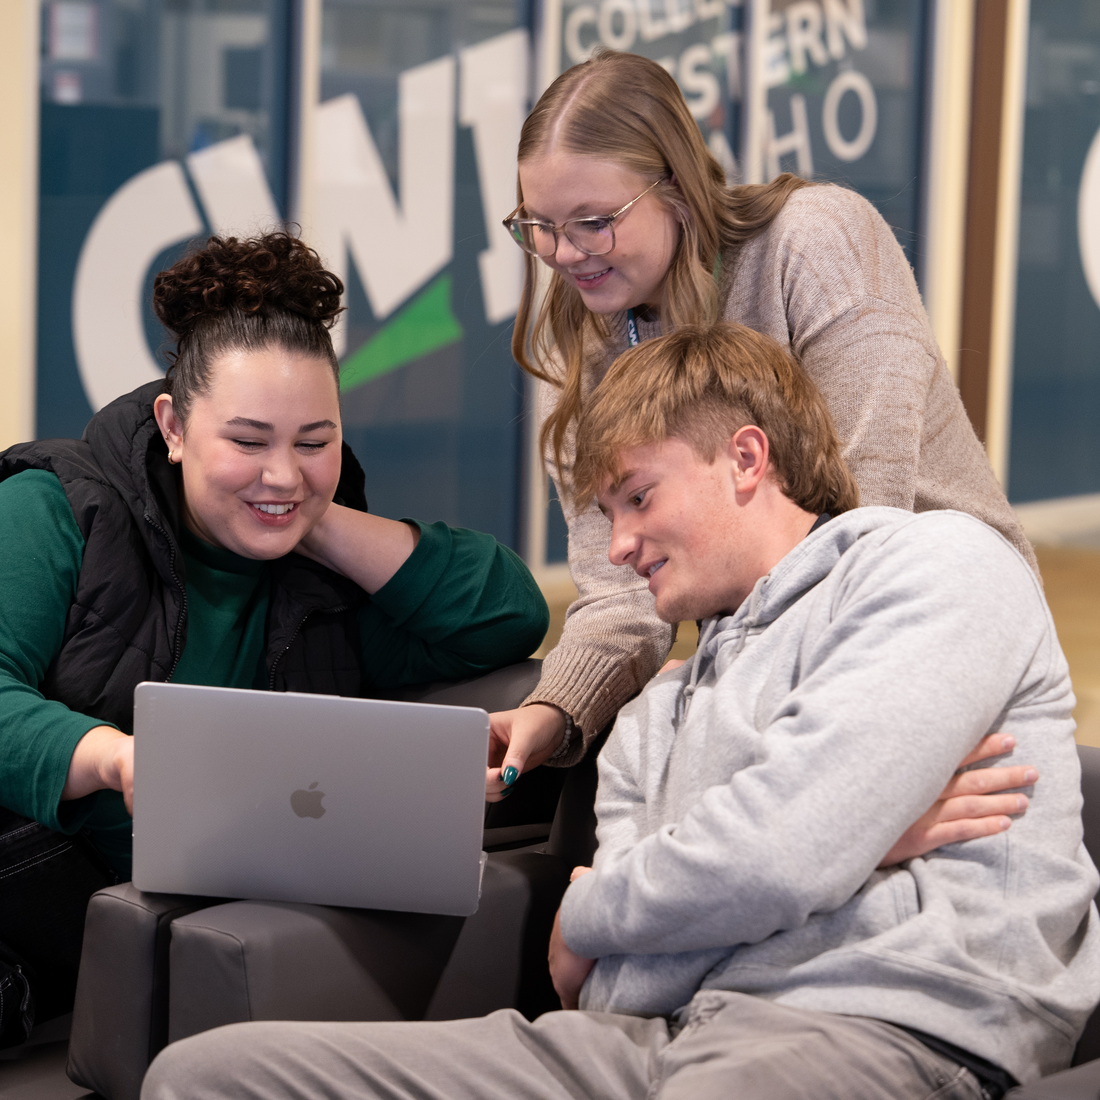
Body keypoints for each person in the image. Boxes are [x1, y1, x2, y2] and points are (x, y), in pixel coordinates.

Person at [140, 322, 1099, 1100]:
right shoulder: (659, 707)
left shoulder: (931, 567)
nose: (623, 546)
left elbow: (764, 864)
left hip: (882, 1032)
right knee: (207, 1076)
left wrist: (604, 904)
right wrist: (834, 855)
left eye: (639, 497)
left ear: (747, 459)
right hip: (649, 1047)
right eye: (607, 516)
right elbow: (599, 979)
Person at [0, 232, 549, 1042]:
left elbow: (507, 616)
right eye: (249, 442)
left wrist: (313, 523)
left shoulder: (320, 575)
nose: (283, 471)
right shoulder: (55, 511)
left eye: (315, 442)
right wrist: (119, 758)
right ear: (174, 426)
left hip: (177, 942)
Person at [484, 49, 1040, 800]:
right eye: (538, 225)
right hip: (770, 654)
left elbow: (861, 522)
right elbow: (623, 587)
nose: (562, 254)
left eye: (592, 222)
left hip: (933, 619)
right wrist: (557, 707)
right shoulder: (579, 333)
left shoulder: (816, 241)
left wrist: (731, 672)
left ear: (675, 188)